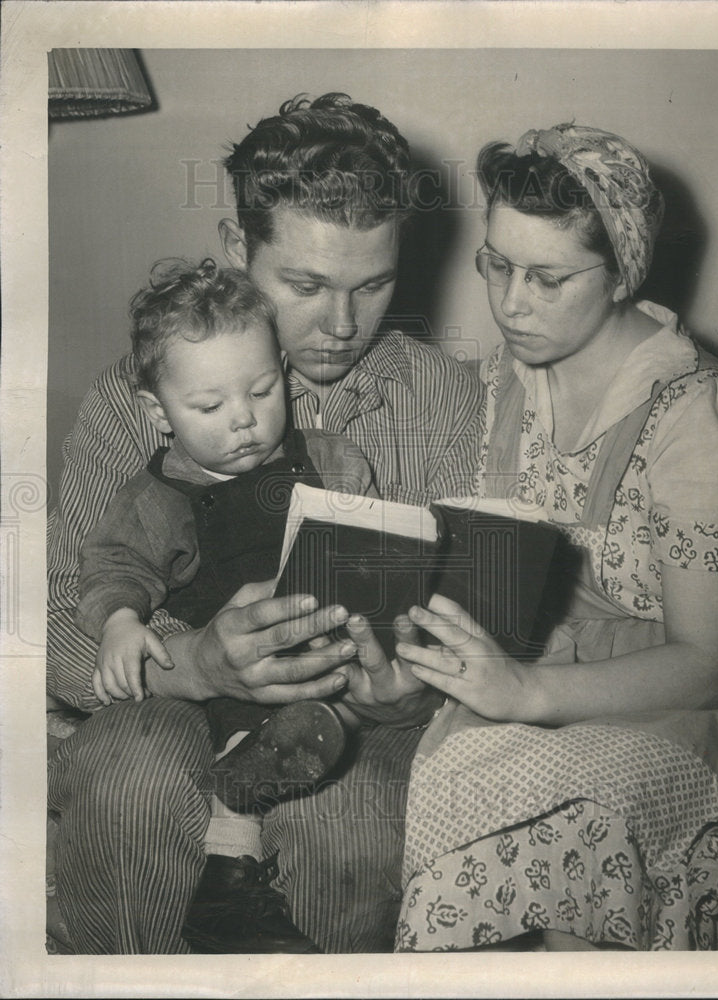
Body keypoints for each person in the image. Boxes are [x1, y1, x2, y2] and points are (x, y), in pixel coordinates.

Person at [47, 93, 484, 954]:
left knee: (350, 826)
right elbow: (58, 625)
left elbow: (474, 618)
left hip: (354, 721)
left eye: (374, 284)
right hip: (170, 703)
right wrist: (194, 663)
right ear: (236, 251)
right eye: (306, 285)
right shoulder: (133, 404)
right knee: (128, 785)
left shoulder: (444, 401)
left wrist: (414, 685)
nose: (343, 325)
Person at [391, 124, 718, 952]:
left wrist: (525, 692)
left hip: (661, 709)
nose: (511, 302)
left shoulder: (697, 415)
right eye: (496, 264)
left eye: (547, 277)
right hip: (524, 683)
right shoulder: (501, 381)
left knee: (550, 831)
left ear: (621, 271)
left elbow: (712, 663)